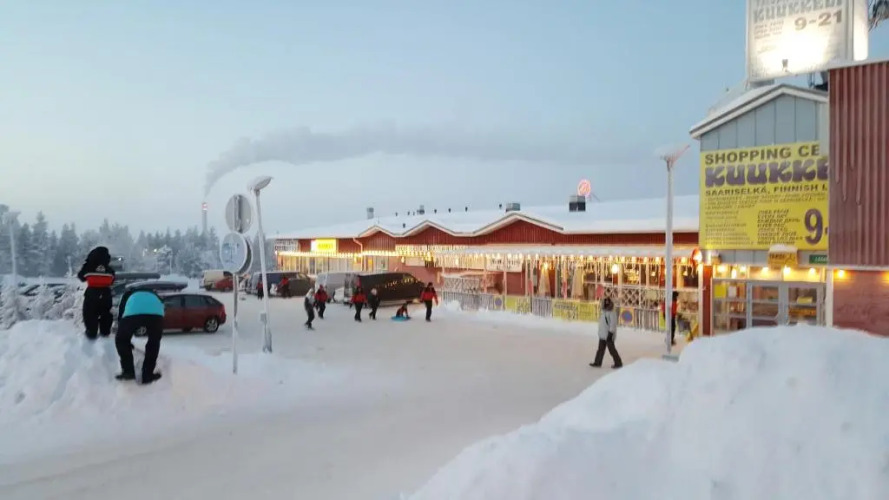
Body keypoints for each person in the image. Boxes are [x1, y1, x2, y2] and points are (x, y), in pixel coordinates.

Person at [115, 287, 164, 384]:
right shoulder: (154, 294)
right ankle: (148, 374)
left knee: (121, 340)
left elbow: (121, 313)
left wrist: (125, 334)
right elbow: (162, 307)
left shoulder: (128, 294)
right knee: (154, 342)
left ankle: (128, 371)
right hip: (156, 315)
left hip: (132, 314)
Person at [76, 246, 116, 339]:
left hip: (92, 294)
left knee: (89, 314)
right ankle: (105, 334)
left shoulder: (88, 267)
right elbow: (112, 280)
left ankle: (91, 334)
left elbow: (81, 277)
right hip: (106, 294)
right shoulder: (109, 269)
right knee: (106, 313)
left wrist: (86, 264)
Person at [590, 297, 622, 369]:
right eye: (605, 303)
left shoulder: (612, 313)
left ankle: (618, 362)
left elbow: (613, 324)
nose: (606, 305)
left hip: (608, 335)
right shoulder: (603, 312)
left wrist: (610, 333)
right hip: (602, 335)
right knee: (600, 350)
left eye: (607, 303)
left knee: (612, 350)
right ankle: (597, 362)